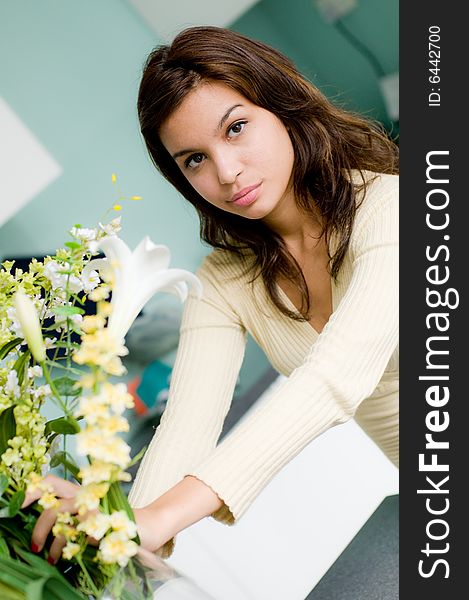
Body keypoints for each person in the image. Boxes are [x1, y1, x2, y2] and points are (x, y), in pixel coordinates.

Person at [25, 25, 399, 562]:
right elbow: (185, 429)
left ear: (284, 104)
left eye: (237, 128)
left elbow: (334, 378)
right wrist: (115, 528)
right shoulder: (225, 281)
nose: (226, 172)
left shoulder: (393, 208)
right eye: (193, 159)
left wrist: (152, 520)